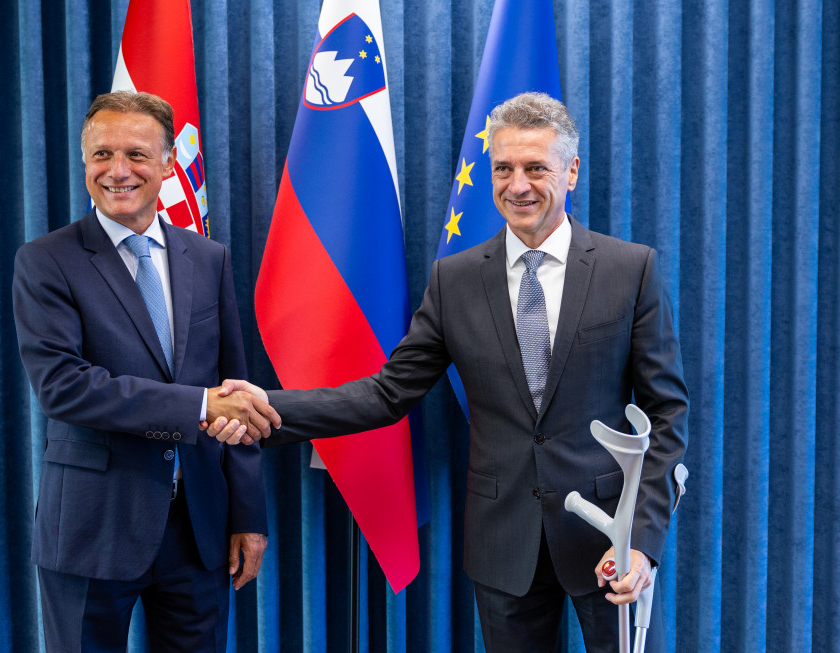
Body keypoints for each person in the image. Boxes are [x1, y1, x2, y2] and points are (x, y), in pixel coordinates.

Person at [210, 93, 689, 652]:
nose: (518, 186)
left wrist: (643, 540)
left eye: (536, 168)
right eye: (503, 169)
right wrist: (267, 407)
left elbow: (666, 414)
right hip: (503, 541)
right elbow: (386, 395)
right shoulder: (455, 280)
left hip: (611, 545)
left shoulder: (630, 270)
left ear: (572, 171)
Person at [12, 90, 280, 652]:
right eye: (101, 155)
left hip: (200, 527)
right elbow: (64, 388)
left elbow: (237, 387)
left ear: (168, 165)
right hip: (92, 528)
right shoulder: (46, 260)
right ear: (84, 164)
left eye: (135, 154)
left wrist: (248, 514)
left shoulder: (208, 258)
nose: (117, 171)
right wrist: (200, 407)